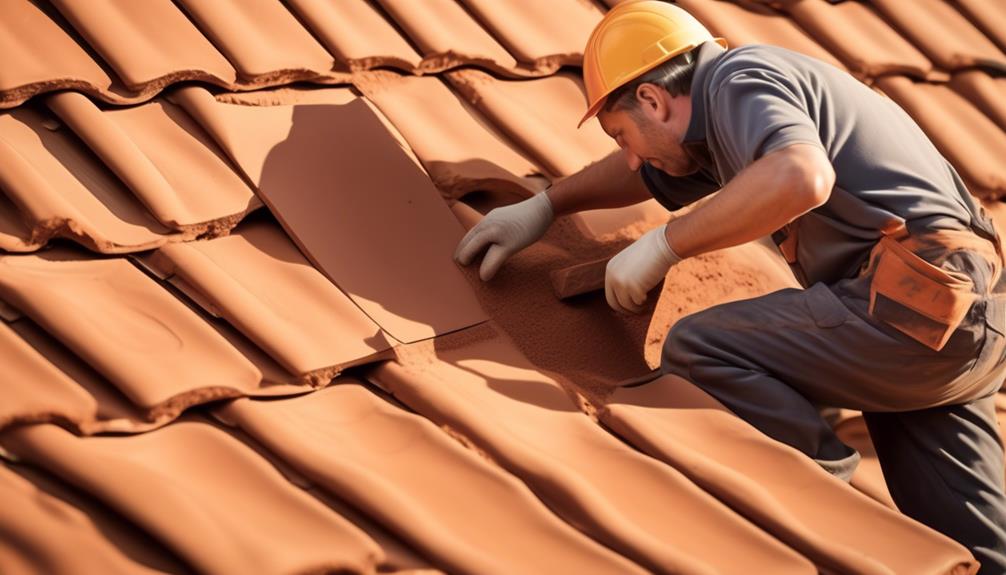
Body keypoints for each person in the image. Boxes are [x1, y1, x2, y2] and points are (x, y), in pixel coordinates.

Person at [453, 1, 1006, 571]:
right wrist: (547, 203)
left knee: (702, 346)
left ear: (653, 99)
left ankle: (821, 508)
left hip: (909, 309)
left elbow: (800, 176)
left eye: (621, 132)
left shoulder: (740, 80)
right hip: (958, 326)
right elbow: (638, 171)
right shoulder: (726, 121)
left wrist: (664, 246)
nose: (628, 151)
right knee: (973, 546)